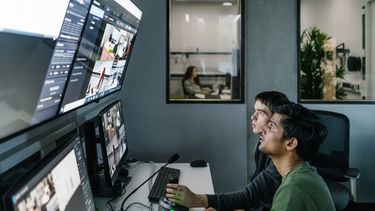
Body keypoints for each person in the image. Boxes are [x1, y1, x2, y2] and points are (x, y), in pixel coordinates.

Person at [165, 91, 289, 210]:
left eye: (261, 113)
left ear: (276, 118)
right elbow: (257, 193)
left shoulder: (283, 156)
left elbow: (254, 194)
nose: (253, 117)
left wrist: (198, 200)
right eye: (254, 110)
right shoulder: (262, 145)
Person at [261, 102, 335, 210]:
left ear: (290, 144)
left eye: (271, 126)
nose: (263, 129)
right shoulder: (303, 173)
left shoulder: (293, 188)